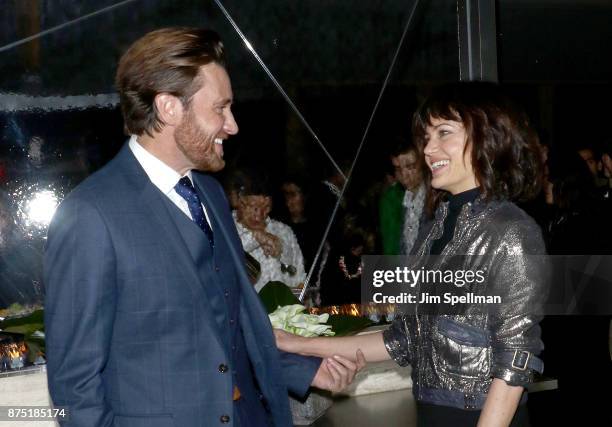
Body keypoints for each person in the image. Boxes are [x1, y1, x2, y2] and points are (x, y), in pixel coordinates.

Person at [44, 28, 364, 427]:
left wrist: (304, 370)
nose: (232, 125)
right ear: (168, 108)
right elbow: (75, 386)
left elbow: (235, 322)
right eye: (220, 108)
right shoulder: (90, 215)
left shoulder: (211, 194)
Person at [276, 82, 548, 426]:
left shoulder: (509, 229)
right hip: (432, 412)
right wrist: (298, 344)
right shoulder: (435, 230)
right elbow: (402, 340)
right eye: (427, 137)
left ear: (487, 137)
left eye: (443, 133)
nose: (429, 148)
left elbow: (517, 357)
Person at [232, 171, 306, 292]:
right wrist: (255, 238)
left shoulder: (284, 231)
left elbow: (298, 278)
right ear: (238, 201)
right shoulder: (225, 229)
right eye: (253, 207)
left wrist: (281, 253)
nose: (259, 215)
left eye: (266, 207)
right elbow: (226, 260)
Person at [378, 141, 425, 255]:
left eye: (410, 167)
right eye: (398, 169)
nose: (404, 175)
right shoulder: (404, 199)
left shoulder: (435, 199)